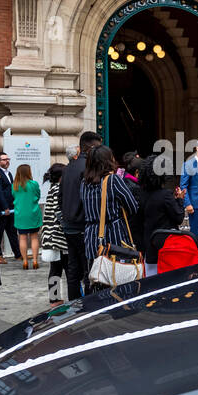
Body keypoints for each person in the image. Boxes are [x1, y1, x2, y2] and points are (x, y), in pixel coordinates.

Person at [82, 145, 140, 272]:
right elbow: (132, 206)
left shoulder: (84, 183)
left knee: (96, 277)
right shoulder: (113, 180)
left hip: (92, 238)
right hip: (113, 237)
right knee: (116, 277)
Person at [61, 130, 101, 299]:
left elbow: (60, 196)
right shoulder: (89, 168)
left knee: (73, 268)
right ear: (91, 147)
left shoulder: (68, 167)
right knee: (88, 269)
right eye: (98, 148)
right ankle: (88, 305)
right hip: (83, 225)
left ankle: (73, 304)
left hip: (68, 225)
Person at [138, 169, 186, 275]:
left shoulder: (142, 194)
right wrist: (180, 200)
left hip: (148, 246)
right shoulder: (166, 195)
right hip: (166, 246)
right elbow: (179, 217)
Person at [39, 162, 68, 305]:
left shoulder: (52, 188)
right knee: (67, 268)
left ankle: (54, 298)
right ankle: (57, 299)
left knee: (55, 269)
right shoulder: (58, 189)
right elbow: (59, 212)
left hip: (51, 234)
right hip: (58, 236)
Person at [0, 152, 21, 263]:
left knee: (12, 232)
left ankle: (18, 254)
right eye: (4, 159)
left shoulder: (9, 173)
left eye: (8, 159)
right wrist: (5, 207)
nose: (7, 161)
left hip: (10, 209)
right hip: (0, 209)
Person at [12, 163, 41, 269]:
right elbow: (37, 196)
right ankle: (34, 261)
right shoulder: (34, 184)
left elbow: (14, 197)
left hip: (20, 214)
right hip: (33, 213)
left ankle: (24, 261)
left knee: (22, 238)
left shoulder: (14, 185)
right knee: (34, 237)